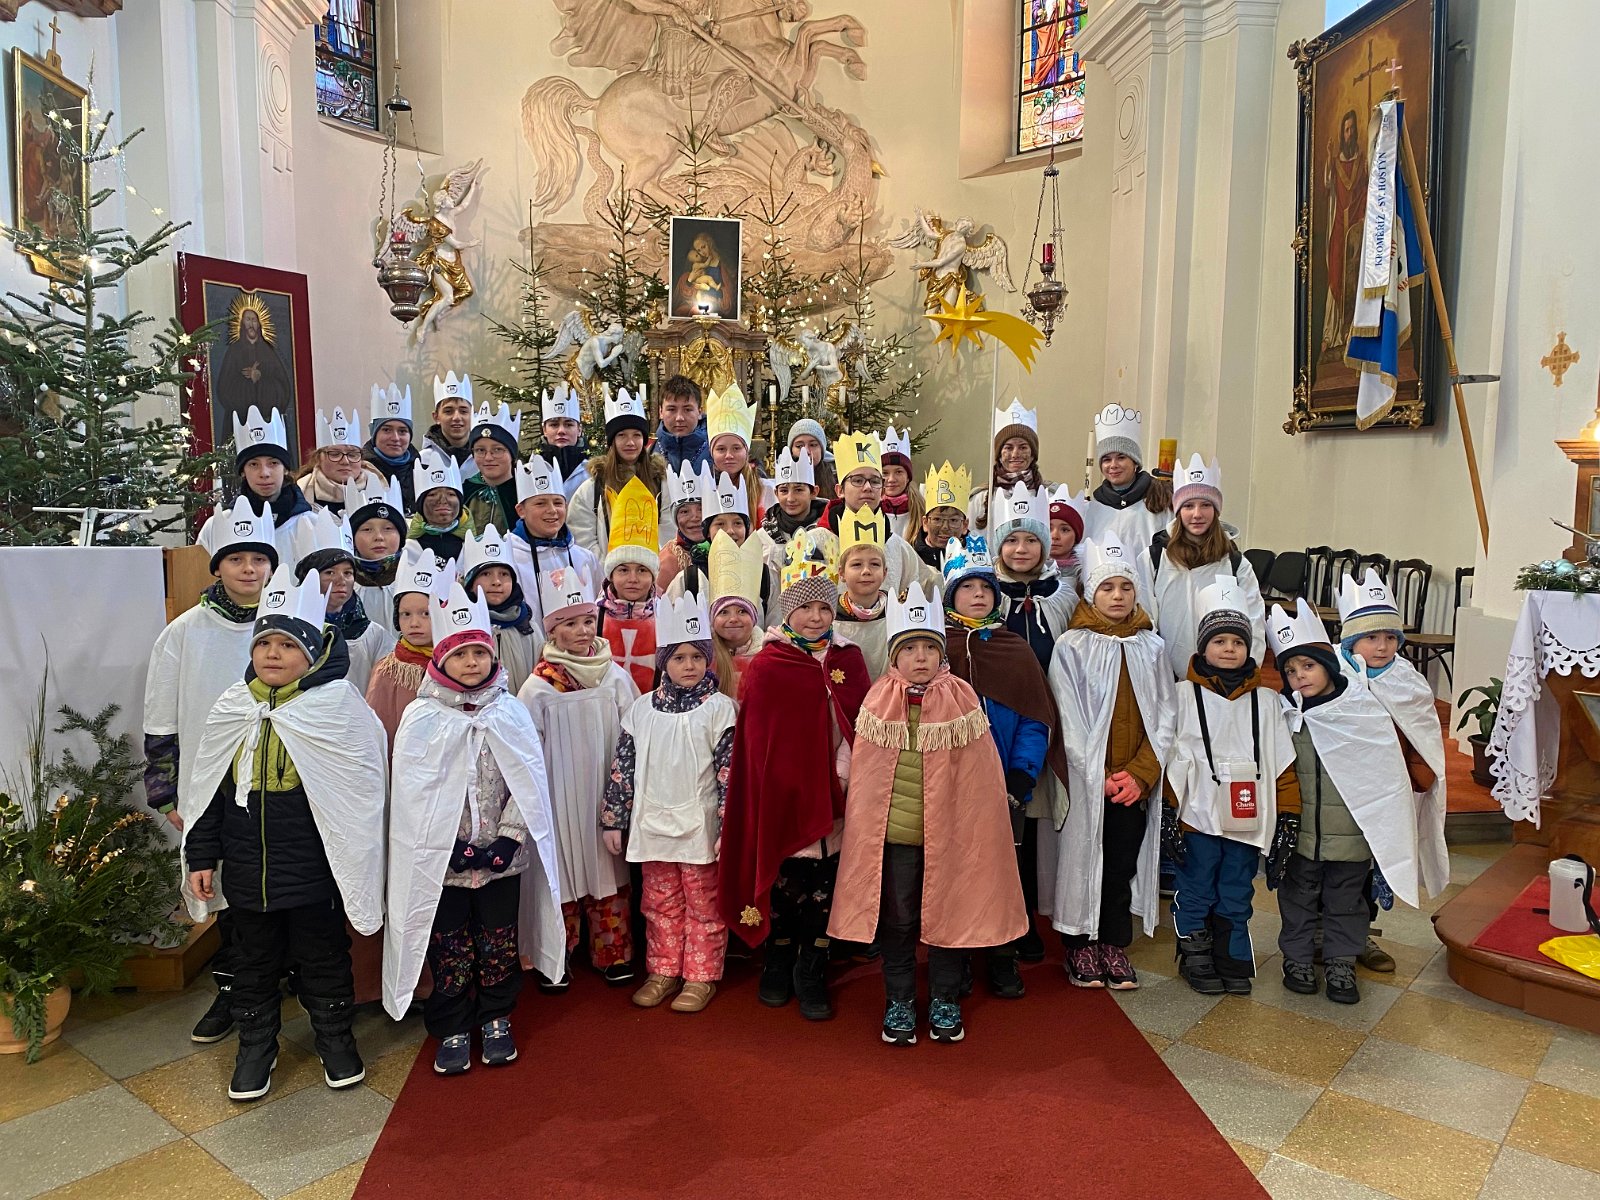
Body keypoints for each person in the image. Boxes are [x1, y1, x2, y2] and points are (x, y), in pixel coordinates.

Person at [180, 564, 387, 1102]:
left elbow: (360, 794)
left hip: (313, 872)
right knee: (251, 963)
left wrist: (351, 863)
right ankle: (256, 1047)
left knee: (324, 958)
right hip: (247, 872)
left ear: (313, 653)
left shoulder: (338, 707)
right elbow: (208, 792)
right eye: (264, 643)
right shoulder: (233, 707)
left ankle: (334, 1038)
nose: (272, 653)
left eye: (288, 644)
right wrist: (201, 857)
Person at [831, 584, 1028, 1045]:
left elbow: (981, 775)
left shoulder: (962, 700)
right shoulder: (877, 701)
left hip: (951, 834)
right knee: (898, 920)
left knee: (948, 914)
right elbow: (865, 775)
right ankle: (899, 999)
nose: (919, 657)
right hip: (896, 837)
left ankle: (944, 997)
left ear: (941, 653)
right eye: (909, 648)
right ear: (894, 655)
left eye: (928, 648)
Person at [385, 582, 565, 1074]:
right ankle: (452, 1025)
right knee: (450, 946)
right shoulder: (422, 716)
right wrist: (446, 844)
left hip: (501, 861)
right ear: (441, 660)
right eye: (460, 654)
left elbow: (526, 784)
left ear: (492, 657)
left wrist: (509, 837)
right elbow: (413, 795)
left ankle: (496, 1017)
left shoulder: (510, 712)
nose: (471, 662)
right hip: (443, 865)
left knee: (498, 942)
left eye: (479, 653)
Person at [718, 530, 871, 1021]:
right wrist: (781, 783)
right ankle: (778, 958)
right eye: (805, 608)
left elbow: (859, 726)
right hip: (783, 797)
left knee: (825, 888)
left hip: (837, 795)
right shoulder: (769, 664)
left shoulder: (849, 659)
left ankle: (813, 967)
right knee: (787, 886)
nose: (816, 617)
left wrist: (842, 775)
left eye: (824, 608)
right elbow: (759, 740)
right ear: (788, 611)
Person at [144, 497, 276, 1045]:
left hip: (280, 783)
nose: (248, 569)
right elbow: (160, 716)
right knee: (228, 890)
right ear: (217, 566)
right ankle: (234, 990)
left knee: (282, 881)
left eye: (258, 559)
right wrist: (165, 792)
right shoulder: (185, 632)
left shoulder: (287, 624)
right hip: (212, 785)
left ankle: (283, 979)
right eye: (236, 559)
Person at [1265, 599, 1433, 1006]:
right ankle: (1298, 960)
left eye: (1308, 666)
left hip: (1352, 836)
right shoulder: (1285, 715)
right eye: (1291, 670)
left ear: (1328, 665)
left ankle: (1341, 963)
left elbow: (1384, 776)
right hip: (1303, 835)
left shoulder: (1361, 711)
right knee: (1297, 900)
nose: (1300, 676)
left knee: (1347, 903)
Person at [1042, 532, 1175, 991]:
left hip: (1132, 784)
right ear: (1089, 593)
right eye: (1107, 588)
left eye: (1125, 587)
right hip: (1089, 780)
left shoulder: (1151, 647)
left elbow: (1165, 715)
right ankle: (1080, 942)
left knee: (1121, 862)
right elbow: (1067, 716)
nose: (1117, 596)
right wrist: (1095, 773)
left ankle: (1114, 941)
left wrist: (1141, 774)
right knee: (1083, 857)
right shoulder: (1072, 646)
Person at [940, 534, 1071, 982]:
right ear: (951, 596)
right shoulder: (937, 648)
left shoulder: (1013, 648)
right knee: (955, 866)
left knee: (1004, 868)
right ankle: (957, 952)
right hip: (951, 781)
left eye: (986, 588)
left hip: (1005, 781)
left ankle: (1002, 950)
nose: (978, 595)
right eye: (967, 587)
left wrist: (1022, 773)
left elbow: (1035, 717)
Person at [603, 590, 739, 1013]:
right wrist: (614, 819)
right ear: (664, 662)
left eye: (697, 657)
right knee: (659, 903)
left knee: (703, 904)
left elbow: (730, 774)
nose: (689, 666)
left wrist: (727, 827)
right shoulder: (642, 710)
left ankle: (700, 975)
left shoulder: (721, 710)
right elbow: (623, 766)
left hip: (700, 827)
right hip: (653, 826)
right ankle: (663, 970)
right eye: (679, 658)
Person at [1165, 578, 1299, 997]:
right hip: (1197, 815)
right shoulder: (1181, 695)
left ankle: (1232, 954)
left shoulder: (1267, 701)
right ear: (1202, 647)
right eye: (1219, 641)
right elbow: (1169, 755)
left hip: (1247, 815)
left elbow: (1282, 764)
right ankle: (1195, 952)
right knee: (1196, 885)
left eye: (1237, 642)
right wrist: (1169, 812)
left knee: (1237, 887)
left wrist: (1289, 817)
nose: (1229, 649)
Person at [516, 564, 639, 989]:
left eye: (588, 620)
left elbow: (634, 732)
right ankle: (558, 954)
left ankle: (612, 952)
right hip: (558, 794)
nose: (583, 631)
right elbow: (526, 747)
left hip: (606, 790)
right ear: (552, 632)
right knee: (562, 868)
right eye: (570, 624)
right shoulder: (538, 688)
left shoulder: (614, 676)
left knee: (608, 867)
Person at [1334, 570, 1451, 971]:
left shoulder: (1408, 682)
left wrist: (1420, 774)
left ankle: (1360, 935)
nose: (1382, 646)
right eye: (1371, 637)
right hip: (1338, 793)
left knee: (1371, 864)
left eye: (1390, 637)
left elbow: (1423, 736)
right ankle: (1320, 933)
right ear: (1351, 641)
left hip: (1390, 792)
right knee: (1332, 865)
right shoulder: (1332, 676)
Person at [1149, 455, 1264, 679]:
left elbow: (1254, 623)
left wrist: (1244, 676)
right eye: (1188, 506)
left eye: (1206, 505)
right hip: (1166, 675)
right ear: (1178, 510)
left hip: (1222, 677)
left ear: (1216, 509)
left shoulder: (1235, 564)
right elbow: (1147, 620)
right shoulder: (1154, 558)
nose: (1197, 514)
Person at [197, 405, 319, 569]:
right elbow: (199, 577)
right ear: (243, 472)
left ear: (285, 469)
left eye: (273, 463)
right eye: (254, 464)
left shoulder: (312, 524)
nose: (264, 473)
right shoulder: (216, 527)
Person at [820, 428, 935, 599]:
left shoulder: (898, 548)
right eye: (857, 480)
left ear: (882, 491)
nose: (867, 487)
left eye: (874, 481)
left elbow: (926, 590)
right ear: (840, 490)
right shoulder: (817, 542)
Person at [293, 508, 394, 694]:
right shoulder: (291, 629)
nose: (341, 580)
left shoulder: (372, 634)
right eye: (329, 572)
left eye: (347, 573)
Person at [504, 455, 601, 633]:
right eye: (540, 503)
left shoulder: (585, 558)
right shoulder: (507, 557)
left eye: (558, 503)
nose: (552, 510)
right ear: (521, 510)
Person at [569, 386, 667, 562]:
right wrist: (611, 569)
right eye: (622, 435)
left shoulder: (661, 482)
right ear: (612, 441)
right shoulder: (593, 488)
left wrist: (652, 566)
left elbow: (668, 528)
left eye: (636, 435)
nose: (630, 442)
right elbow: (582, 537)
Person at [366, 550, 449, 752]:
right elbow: (377, 733)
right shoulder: (389, 671)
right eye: (405, 614)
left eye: (426, 613)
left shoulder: (458, 665)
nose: (414, 623)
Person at [991, 483, 1078, 670]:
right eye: (1011, 540)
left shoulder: (1063, 597)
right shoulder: (990, 595)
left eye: (1031, 540)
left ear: (1044, 547)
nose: (1021, 549)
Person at [1082, 403, 1171, 565]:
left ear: (1135, 461)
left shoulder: (1160, 501)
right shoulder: (1093, 509)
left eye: (1121, 457)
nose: (1113, 465)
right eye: (1106, 459)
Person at [596, 477, 662, 694]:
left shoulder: (665, 614)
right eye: (623, 570)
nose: (633, 578)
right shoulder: (594, 617)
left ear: (653, 576)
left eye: (642, 570)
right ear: (611, 575)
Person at [463, 524, 538, 695]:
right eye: (486, 574)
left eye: (504, 574)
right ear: (470, 583)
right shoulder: (463, 627)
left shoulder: (528, 626)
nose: (496, 582)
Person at [343, 475, 409, 637]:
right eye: (367, 529)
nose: (379, 537)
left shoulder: (412, 576)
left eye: (388, 529)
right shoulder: (344, 582)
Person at [970, 400, 1048, 535]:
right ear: (999, 454)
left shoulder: (1048, 496)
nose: (1015, 454)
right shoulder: (980, 499)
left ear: (1033, 454)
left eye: (1023, 447)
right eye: (1008, 447)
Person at [707, 528, 768, 700]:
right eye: (723, 612)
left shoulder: (767, 655)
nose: (733, 619)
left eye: (742, 611)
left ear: (754, 617)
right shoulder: (704, 658)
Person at [832, 507, 893, 679]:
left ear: (885, 573)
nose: (866, 571)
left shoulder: (896, 611)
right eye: (856, 565)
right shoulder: (830, 616)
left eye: (875, 564)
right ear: (842, 573)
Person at [705, 383, 775, 523]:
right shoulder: (705, 489)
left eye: (736, 448)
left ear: (746, 451)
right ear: (711, 453)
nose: (729, 455)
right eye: (721, 449)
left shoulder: (765, 489)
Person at [299, 407, 387, 513]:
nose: (345, 461)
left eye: (352, 454)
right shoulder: (299, 494)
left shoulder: (381, 488)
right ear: (319, 458)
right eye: (335, 454)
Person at [759, 446, 826, 573]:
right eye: (784, 491)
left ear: (814, 492)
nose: (790, 498)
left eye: (799, 490)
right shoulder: (763, 537)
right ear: (776, 493)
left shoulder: (827, 529)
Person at [463, 400, 524, 535]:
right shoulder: (466, 491)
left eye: (497, 450)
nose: (488, 457)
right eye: (480, 450)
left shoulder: (523, 492)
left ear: (512, 454)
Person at [658, 461, 715, 594]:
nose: (695, 518)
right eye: (684, 511)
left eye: (701, 509)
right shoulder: (668, 560)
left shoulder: (723, 550)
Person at [408, 447, 471, 565]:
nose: (443, 500)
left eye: (451, 494)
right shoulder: (407, 548)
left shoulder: (473, 546)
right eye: (432, 495)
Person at [364, 383, 419, 511]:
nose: (395, 438)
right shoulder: (360, 473)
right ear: (374, 434)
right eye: (387, 430)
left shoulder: (421, 468)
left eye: (402, 431)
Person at [916, 461, 972, 570]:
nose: (945, 527)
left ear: (965, 525)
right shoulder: (913, 558)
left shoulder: (975, 558)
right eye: (937, 519)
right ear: (925, 523)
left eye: (953, 520)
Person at [538, 382, 589, 501]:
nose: (561, 431)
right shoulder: (530, 470)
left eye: (569, 424)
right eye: (554, 425)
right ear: (544, 430)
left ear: (579, 430)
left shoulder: (593, 472)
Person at [654, 373, 711, 473]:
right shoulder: (648, 453)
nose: (679, 418)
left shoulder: (715, 451)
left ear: (700, 412)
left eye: (687, 410)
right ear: (661, 412)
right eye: (671, 409)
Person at [878, 425, 924, 542]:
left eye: (898, 472)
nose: (891, 479)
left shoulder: (920, 508)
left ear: (908, 477)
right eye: (885, 473)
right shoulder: (872, 507)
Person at [424, 371, 477, 469]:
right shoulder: (424, 459)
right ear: (436, 417)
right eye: (448, 411)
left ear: (472, 415)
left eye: (463, 411)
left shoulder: (484, 459)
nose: (456, 417)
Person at [1047, 486, 1086, 590]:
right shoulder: (1029, 567)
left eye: (1064, 530)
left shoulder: (1085, 572)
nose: (1055, 536)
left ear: (1076, 536)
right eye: (1049, 528)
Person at [788, 417, 838, 498]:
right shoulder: (783, 479)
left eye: (813, 445)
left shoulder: (836, 481)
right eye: (799, 446)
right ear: (791, 451)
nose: (806, 451)